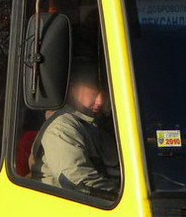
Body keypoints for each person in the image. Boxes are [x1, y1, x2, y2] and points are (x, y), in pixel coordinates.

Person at [30, 70, 119, 198]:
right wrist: (125, 198)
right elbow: (80, 185)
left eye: (104, 94)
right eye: (93, 93)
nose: (100, 101)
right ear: (73, 90)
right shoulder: (62, 127)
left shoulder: (95, 127)